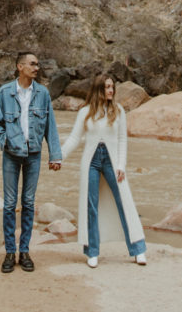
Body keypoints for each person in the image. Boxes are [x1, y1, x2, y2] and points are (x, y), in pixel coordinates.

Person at [61, 73, 146, 268]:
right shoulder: (85, 112)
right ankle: (92, 251)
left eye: (112, 87)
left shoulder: (118, 111)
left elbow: (123, 140)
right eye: (107, 87)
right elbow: (75, 139)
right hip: (91, 161)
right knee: (91, 205)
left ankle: (138, 250)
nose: (110, 90)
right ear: (98, 89)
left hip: (112, 161)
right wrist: (59, 156)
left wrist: (120, 166)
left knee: (124, 201)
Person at [0, 51, 62, 273]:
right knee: (10, 204)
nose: (36, 68)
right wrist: (5, 141)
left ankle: (25, 252)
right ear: (20, 66)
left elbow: (51, 127)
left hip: (34, 154)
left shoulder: (43, 94)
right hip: (11, 154)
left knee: (28, 203)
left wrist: (55, 155)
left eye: (37, 64)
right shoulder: (4, 93)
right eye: (32, 64)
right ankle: (10, 253)